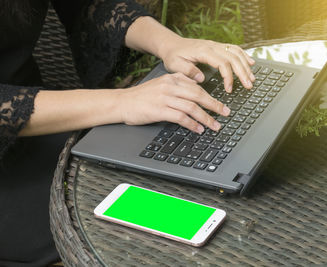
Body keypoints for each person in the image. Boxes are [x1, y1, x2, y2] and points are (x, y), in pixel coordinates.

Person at [0, 0, 255, 266]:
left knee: (185, 184)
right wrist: (122, 102)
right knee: (133, 241)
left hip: (48, 121)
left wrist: (169, 43)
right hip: (10, 181)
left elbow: (88, 5)